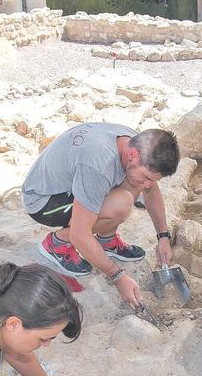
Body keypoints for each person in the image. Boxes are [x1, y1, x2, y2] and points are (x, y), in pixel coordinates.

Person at [23, 123, 180, 307]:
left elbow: (151, 190)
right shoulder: (98, 165)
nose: (147, 184)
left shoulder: (136, 145)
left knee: (134, 182)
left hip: (73, 181)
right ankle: (57, 243)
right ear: (133, 155)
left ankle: (107, 240)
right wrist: (118, 277)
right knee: (122, 203)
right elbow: (80, 235)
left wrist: (163, 237)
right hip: (43, 200)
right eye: (147, 176)